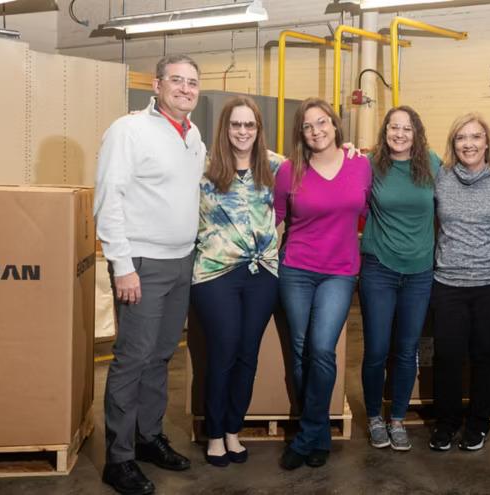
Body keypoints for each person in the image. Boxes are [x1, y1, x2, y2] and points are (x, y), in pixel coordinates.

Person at [94, 54, 204, 495]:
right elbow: (109, 199)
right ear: (156, 86)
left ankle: (148, 437)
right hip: (140, 263)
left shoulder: (193, 135)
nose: (185, 88)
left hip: (181, 262)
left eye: (192, 82)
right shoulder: (129, 131)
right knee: (132, 359)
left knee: (161, 356)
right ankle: (117, 459)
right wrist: (122, 266)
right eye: (176, 80)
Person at [275, 98, 372, 470]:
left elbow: (369, 207)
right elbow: (276, 218)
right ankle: (317, 435)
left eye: (322, 123)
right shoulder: (290, 170)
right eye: (308, 126)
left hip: (340, 271)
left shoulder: (359, 164)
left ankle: (307, 434)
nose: (316, 131)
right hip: (296, 268)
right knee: (300, 351)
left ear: (335, 125)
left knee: (321, 348)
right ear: (301, 133)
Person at [191, 96, 283, 467]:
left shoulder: (276, 166)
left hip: (263, 275)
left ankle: (233, 429)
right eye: (235, 125)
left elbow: (325, 167)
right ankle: (214, 434)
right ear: (224, 128)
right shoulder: (204, 166)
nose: (242, 132)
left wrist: (349, 150)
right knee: (224, 351)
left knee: (248, 354)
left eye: (249, 125)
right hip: (215, 273)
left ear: (258, 130)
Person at [427, 112, 490, 453]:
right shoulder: (440, 176)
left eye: (476, 137)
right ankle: (446, 424)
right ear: (453, 144)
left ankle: (478, 424)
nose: (469, 144)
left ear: (487, 141)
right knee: (447, 356)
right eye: (462, 138)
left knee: (484, 355)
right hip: (448, 282)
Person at [359, 106, 439, 451]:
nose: (400, 134)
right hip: (379, 267)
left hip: (420, 271)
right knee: (377, 348)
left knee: (407, 350)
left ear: (416, 133)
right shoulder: (370, 164)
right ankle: (375, 416)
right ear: (385, 131)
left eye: (407, 128)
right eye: (394, 127)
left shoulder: (433, 164)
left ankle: (398, 419)